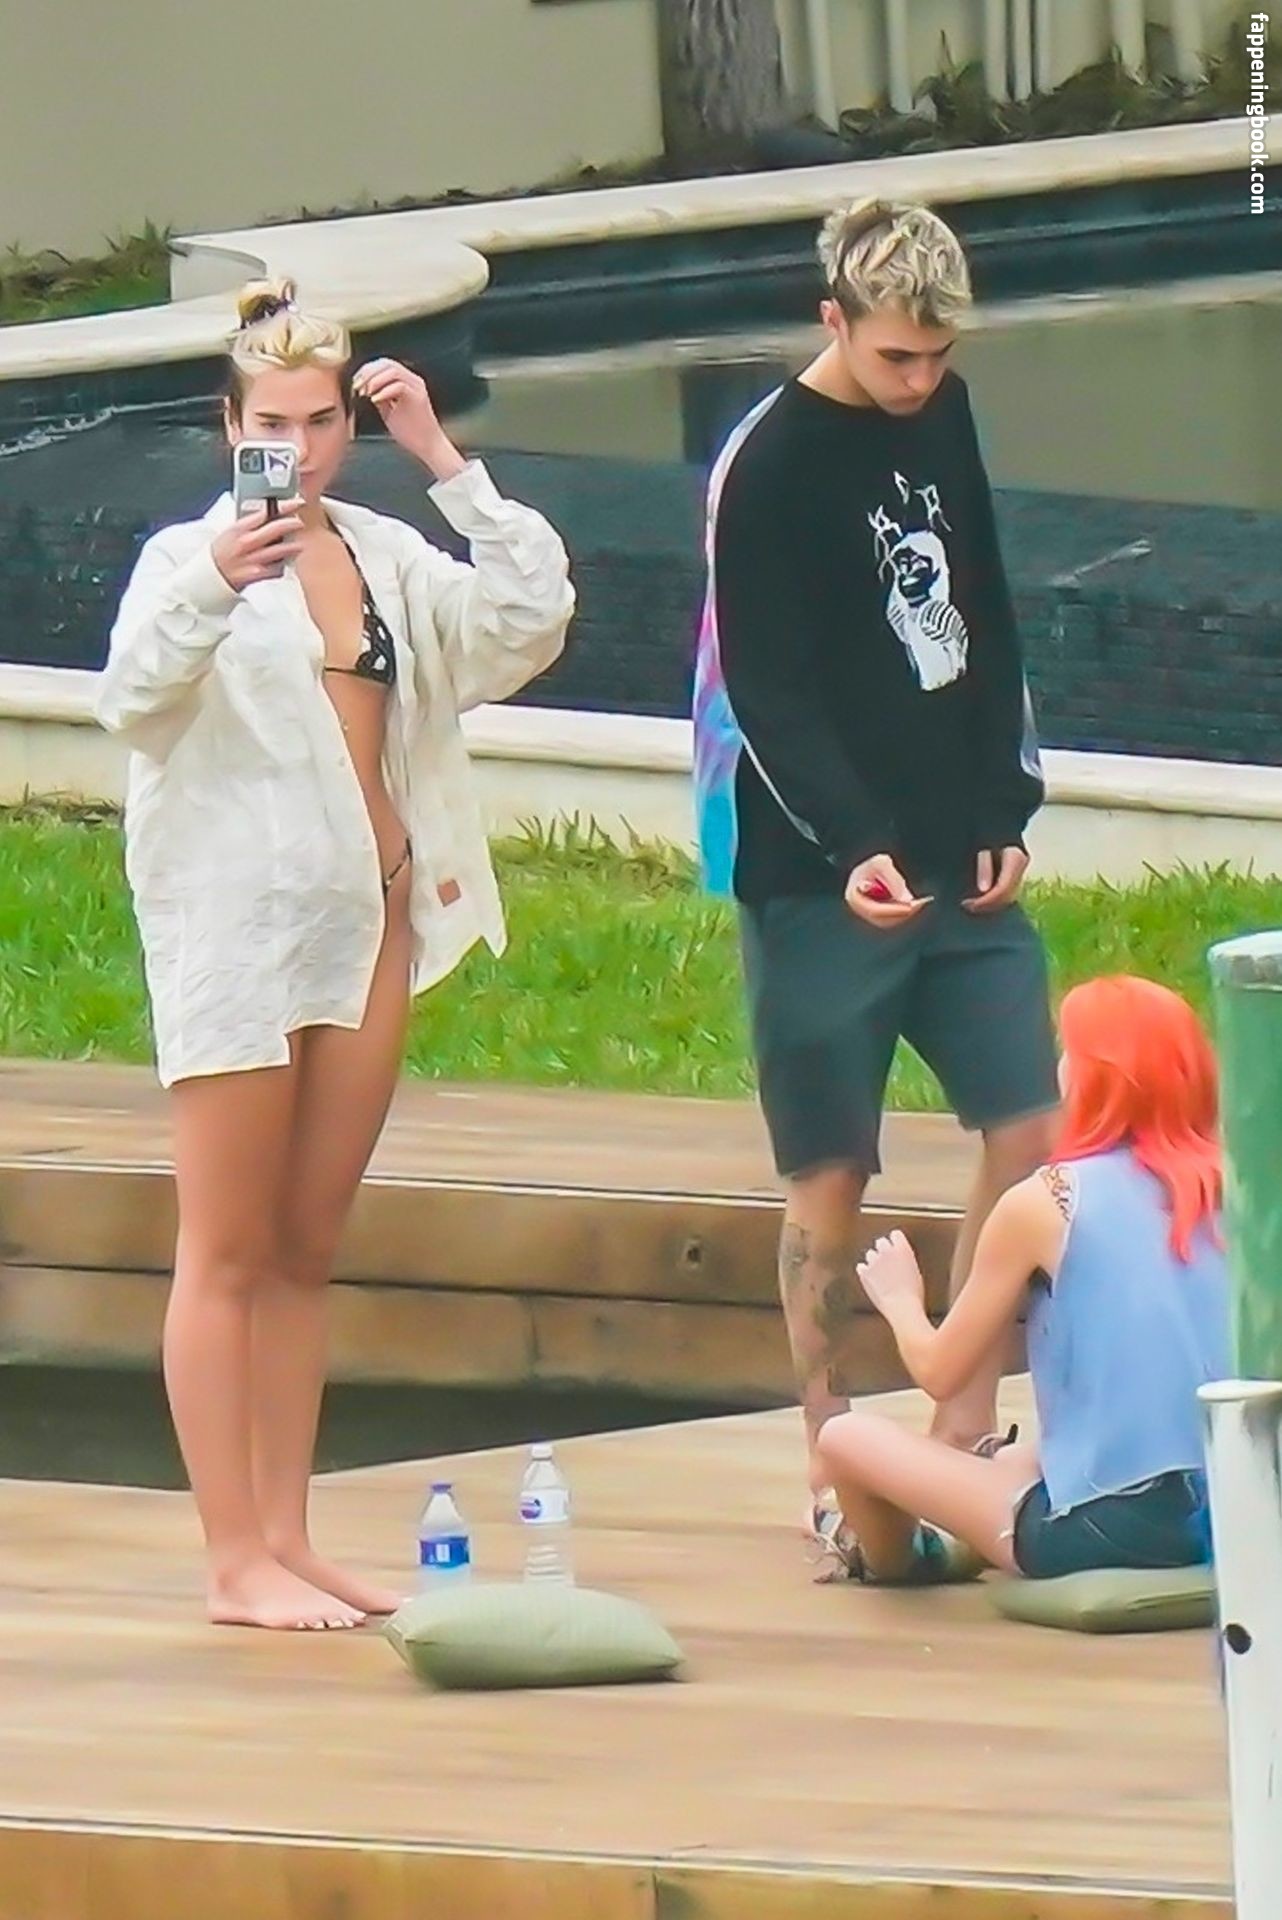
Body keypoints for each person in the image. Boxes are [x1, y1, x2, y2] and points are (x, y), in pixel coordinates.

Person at [96, 278, 574, 1630]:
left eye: (320, 423)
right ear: (229, 427)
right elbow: (131, 700)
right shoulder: (187, 560)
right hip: (240, 931)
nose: (297, 450)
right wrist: (216, 581)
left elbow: (524, 625)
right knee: (226, 1246)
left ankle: (289, 1535)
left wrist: (445, 462)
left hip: (370, 922)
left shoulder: (380, 550)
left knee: (306, 1245)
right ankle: (230, 1555)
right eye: (272, 424)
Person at [691, 198, 1060, 1508]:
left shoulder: (943, 411)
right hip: (818, 872)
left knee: (1031, 1123)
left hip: (958, 850)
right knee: (830, 1169)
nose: (918, 380)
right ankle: (827, 1448)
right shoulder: (769, 462)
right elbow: (764, 687)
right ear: (832, 321)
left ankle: (957, 1424)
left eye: (939, 356)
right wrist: (850, 842)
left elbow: (984, 609)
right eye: (897, 355)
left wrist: (1003, 806)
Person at [815, 976, 1228, 1583]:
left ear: (1090, 1077)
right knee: (1014, 1460)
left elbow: (941, 1372)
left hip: (1110, 1532)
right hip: (1237, 1507)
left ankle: (902, 1559)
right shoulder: (1242, 1190)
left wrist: (900, 1300)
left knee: (844, 1439)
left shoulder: (1047, 1200)